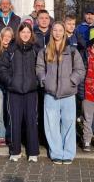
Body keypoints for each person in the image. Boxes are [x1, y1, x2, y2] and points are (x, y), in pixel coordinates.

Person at [36, 22, 85, 165]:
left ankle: (68, 153)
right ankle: (56, 152)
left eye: (60, 30)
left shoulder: (72, 51)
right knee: (51, 125)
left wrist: (72, 81)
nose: (57, 33)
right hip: (50, 95)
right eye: (55, 30)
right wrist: (44, 80)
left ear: (64, 32)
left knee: (69, 124)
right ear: (51, 32)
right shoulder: (44, 51)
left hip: (68, 94)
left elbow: (80, 70)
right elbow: (39, 68)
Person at [0, 23, 40, 162]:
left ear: (31, 34)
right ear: (18, 34)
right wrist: (11, 82)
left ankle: (33, 151)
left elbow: (41, 68)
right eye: (23, 32)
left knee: (31, 121)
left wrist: (36, 82)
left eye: (28, 32)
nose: (26, 34)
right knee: (14, 121)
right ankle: (15, 151)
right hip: (14, 92)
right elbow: (2, 69)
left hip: (31, 91)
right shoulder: (10, 50)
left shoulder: (36, 50)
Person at [0, 27, 14, 146]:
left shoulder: (14, 50)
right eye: (5, 36)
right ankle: (0, 135)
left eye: (9, 36)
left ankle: (10, 134)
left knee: (9, 111)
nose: (6, 38)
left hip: (10, 84)